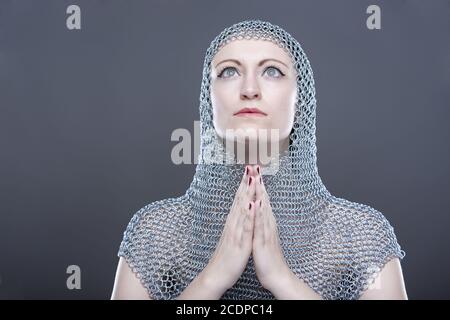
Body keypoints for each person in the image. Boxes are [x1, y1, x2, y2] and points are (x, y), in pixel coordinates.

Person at [111, 19, 407, 300]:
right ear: (208, 97)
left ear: (300, 98)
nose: (249, 89)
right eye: (228, 71)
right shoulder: (157, 234)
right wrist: (212, 278)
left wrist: (282, 279)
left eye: (272, 71)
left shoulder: (360, 236)